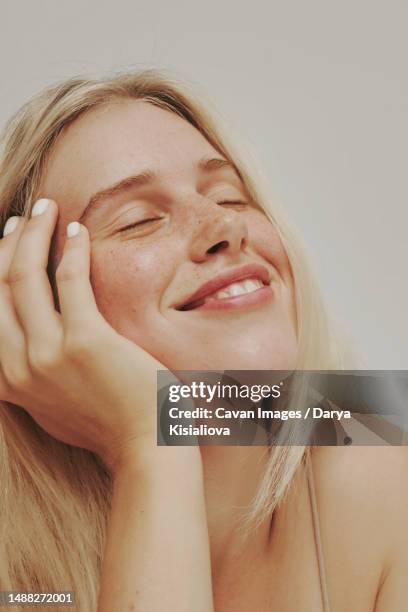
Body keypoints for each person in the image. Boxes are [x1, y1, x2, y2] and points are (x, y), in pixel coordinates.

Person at [0, 69, 406, 612]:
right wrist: (150, 445)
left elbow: (374, 415)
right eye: (139, 220)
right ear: (34, 308)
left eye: (232, 198)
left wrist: (150, 432)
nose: (223, 227)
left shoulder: (381, 442)